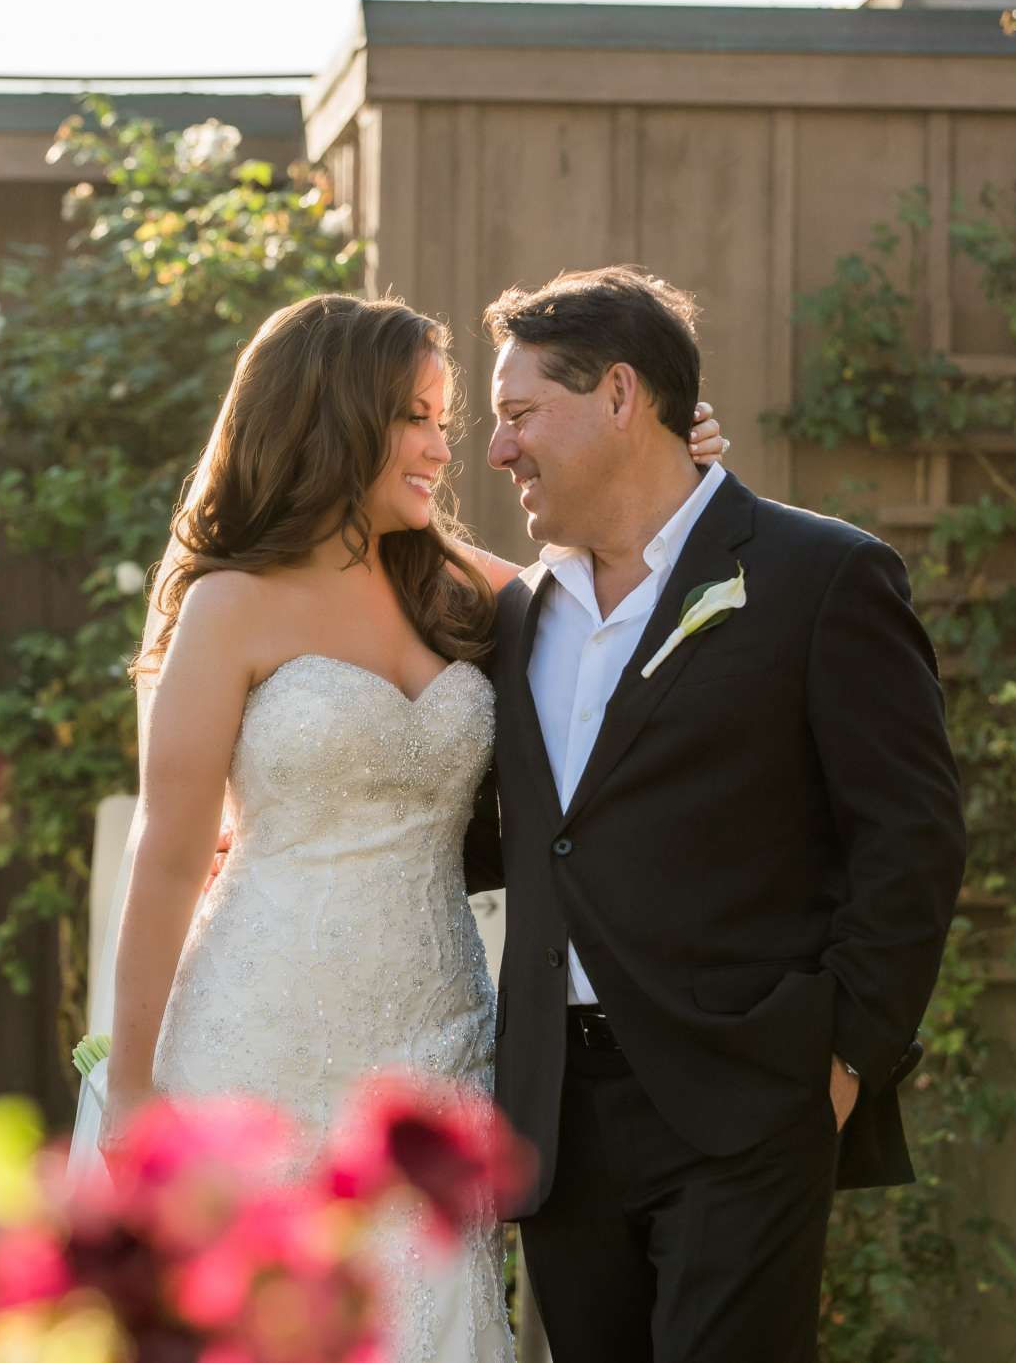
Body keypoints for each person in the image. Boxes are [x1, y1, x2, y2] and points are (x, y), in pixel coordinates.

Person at [103, 292, 728, 1363]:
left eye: (447, 418)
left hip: (437, 1036)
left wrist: (678, 477)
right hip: (259, 1031)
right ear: (333, 416)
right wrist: (129, 1089)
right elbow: (165, 858)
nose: (448, 447)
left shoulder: (478, 593)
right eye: (419, 418)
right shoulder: (230, 605)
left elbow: (637, 602)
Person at [469, 266, 967, 1363]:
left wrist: (842, 1065)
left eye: (518, 415)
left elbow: (912, 837)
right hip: (560, 1117)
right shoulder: (514, 615)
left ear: (618, 397)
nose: (498, 450)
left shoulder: (819, 576)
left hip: (746, 1104)